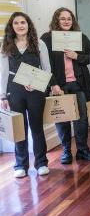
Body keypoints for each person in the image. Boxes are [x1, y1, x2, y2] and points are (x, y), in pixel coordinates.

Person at [0, 12, 57, 177]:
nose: (20, 25)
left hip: (35, 91)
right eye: (16, 23)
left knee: (36, 127)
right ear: (12, 26)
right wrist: (2, 95)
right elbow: (3, 72)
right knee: (19, 128)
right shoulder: (6, 46)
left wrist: (38, 84)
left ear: (28, 24)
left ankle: (41, 163)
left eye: (23, 22)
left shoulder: (39, 44)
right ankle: (20, 165)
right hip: (14, 91)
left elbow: (47, 69)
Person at [41, 7, 90, 164]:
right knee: (62, 118)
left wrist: (76, 56)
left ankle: (82, 150)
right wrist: (53, 84)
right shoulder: (47, 38)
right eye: (63, 19)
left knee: (82, 118)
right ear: (56, 21)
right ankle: (66, 151)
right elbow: (44, 63)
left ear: (73, 21)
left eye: (69, 18)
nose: (66, 21)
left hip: (79, 84)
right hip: (60, 86)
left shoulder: (80, 37)